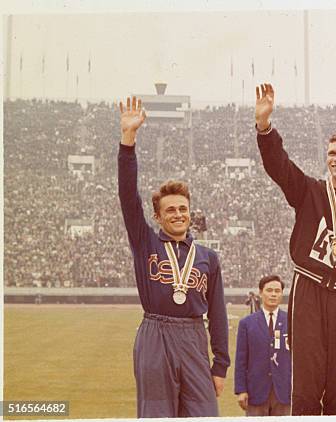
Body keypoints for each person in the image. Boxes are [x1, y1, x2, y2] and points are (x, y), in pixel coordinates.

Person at [254, 83, 336, 415]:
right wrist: (264, 126)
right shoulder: (309, 192)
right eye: (331, 154)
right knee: (306, 389)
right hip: (309, 291)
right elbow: (279, 167)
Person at [117, 96, 230, 417]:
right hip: (155, 336)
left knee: (204, 414)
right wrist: (128, 140)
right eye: (170, 210)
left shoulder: (208, 257)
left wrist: (220, 364)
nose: (178, 214)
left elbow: (219, 315)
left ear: (190, 212)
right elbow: (128, 197)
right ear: (157, 216)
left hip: (194, 337)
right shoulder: (146, 244)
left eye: (183, 208)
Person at [234, 275, 291, 416]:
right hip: (256, 392)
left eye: (277, 291)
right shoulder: (247, 323)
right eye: (269, 290)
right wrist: (241, 390)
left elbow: (299, 359)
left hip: (284, 392)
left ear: (282, 294)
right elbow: (241, 359)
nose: (273, 294)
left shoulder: (291, 321)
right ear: (261, 292)